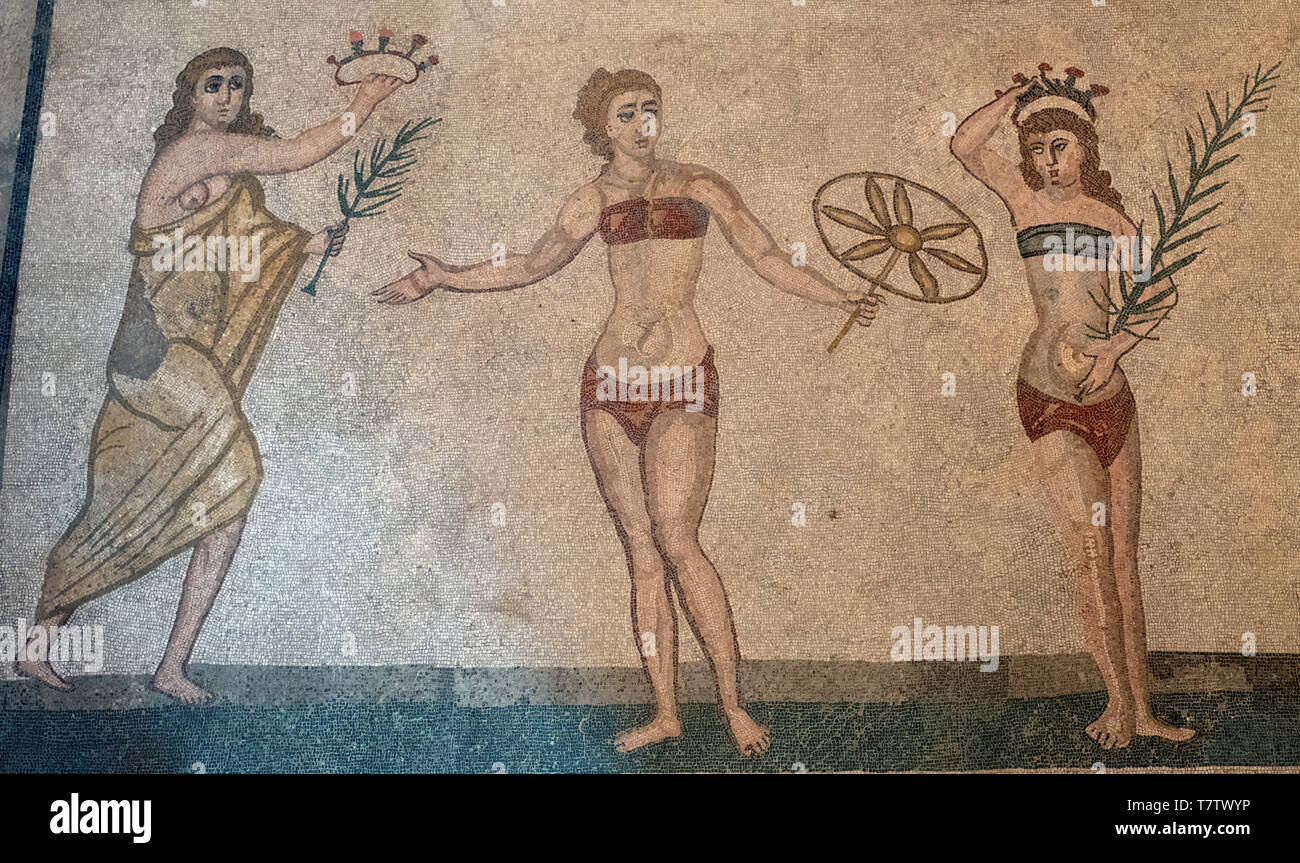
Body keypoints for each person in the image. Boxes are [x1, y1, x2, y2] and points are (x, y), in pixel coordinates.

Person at [373, 67, 879, 754]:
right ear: (601, 129)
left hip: (680, 380)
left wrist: (836, 296)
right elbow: (530, 262)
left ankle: (733, 704)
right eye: (626, 113)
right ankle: (667, 710)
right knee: (641, 551)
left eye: (651, 108)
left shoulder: (701, 184)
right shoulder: (592, 199)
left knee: (678, 538)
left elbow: (763, 253)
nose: (642, 122)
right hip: (608, 385)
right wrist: (444, 276)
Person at [15, 47, 403, 704]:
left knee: (185, 503)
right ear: (189, 95)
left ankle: (133, 660)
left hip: (182, 362)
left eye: (237, 86)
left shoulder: (227, 171)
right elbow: (303, 151)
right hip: (156, 355)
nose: (226, 95)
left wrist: (307, 242)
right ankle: (100, 650)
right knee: (240, 468)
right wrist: (366, 100)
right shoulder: (191, 155)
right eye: (213, 84)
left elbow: (252, 233)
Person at [950, 63, 1194, 748]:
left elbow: (1162, 293)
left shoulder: (1113, 220)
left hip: (1111, 399)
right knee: (1089, 554)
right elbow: (965, 147)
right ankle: (1116, 703)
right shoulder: (1024, 204)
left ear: (1086, 148)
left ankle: (1143, 709)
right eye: (1036, 148)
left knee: (1123, 559)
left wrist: (1115, 349)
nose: (1046, 161)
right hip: (1051, 397)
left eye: (1060, 146)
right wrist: (1010, 98)